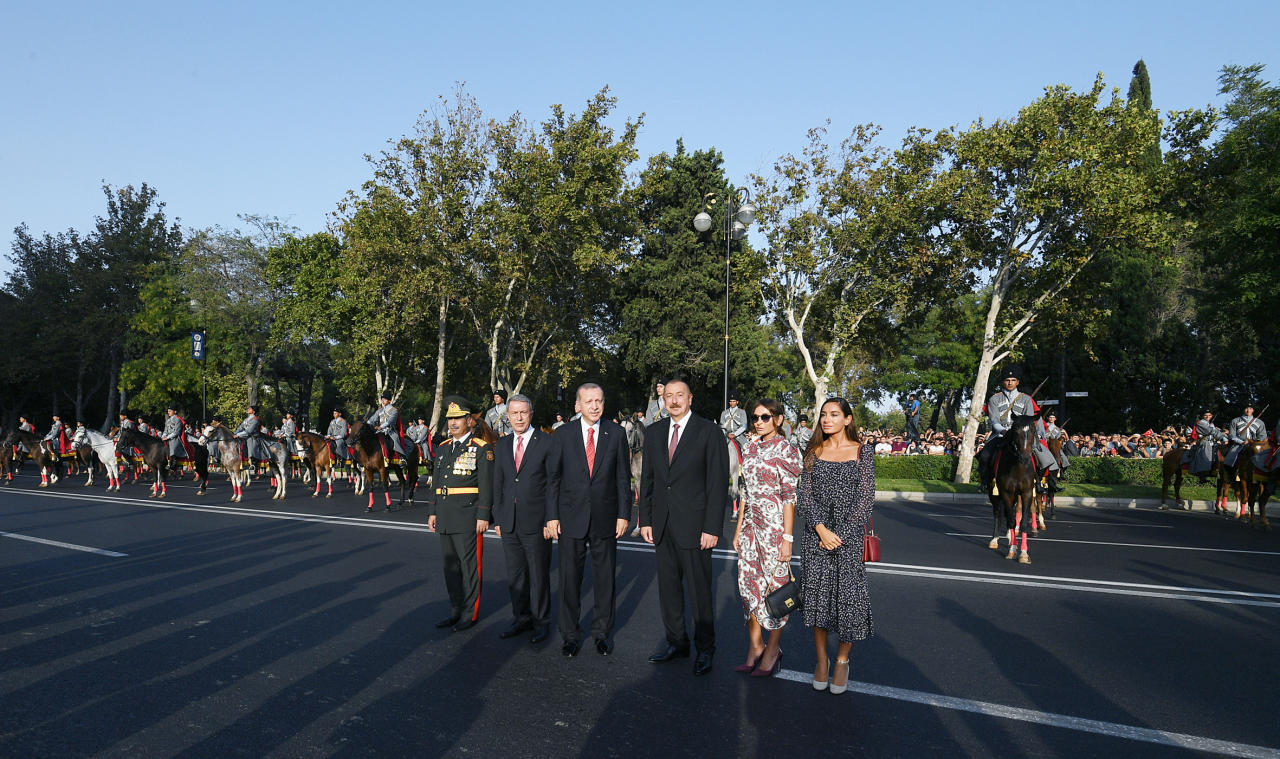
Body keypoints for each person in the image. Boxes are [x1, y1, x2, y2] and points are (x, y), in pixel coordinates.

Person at [639, 379, 730, 676]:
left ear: (690, 398)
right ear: (662, 399)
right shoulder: (653, 433)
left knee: (700, 592)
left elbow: (717, 484)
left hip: (695, 527)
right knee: (668, 591)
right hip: (662, 525)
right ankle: (676, 642)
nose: (674, 400)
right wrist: (646, 520)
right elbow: (648, 481)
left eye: (680, 395)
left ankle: (706, 649)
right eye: (669, 396)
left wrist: (712, 527)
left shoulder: (709, 432)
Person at [545, 382, 632, 658]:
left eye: (599, 400)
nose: (595, 406)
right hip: (570, 518)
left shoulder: (616, 433)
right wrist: (551, 516)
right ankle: (570, 635)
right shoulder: (563, 434)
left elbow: (622, 478)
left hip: (606, 518)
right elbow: (553, 479)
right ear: (577, 406)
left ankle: (602, 634)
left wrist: (623, 514)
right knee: (570, 580)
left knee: (606, 580)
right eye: (589, 401)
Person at [798, 397, 875, 695]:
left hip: (849, 537)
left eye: (834, 415)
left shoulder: (862, 453)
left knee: (848, 600)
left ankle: (842, 660)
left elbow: (866, 499)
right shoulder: (813, 451)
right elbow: (804, 495)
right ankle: (821, 661)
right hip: (815, 535)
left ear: (848, 419)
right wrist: (820, 528)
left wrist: (838, 534)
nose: (827, 420)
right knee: (817, 598)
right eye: (823, 415)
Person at [732, 399, 802, 678]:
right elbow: (745, 494)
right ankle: (755, 647)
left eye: (764, 417)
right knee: (748, 591)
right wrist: (737, 531)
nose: (758, 422)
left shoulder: (787, 451)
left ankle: (772, 650)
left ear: (779, 420)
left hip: (774, 532)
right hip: (750, 530)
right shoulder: (749, 448)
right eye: (755, 417)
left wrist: (788, 538)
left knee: (776, 592)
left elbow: (789, 498)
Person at [491, 394, 554, 645]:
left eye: (523, 412)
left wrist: (551, 520)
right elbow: (499, 483)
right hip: (509, 522)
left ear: (531, 413)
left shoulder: (547, 443)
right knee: (516, 575)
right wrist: (498, 518)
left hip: (537, 523)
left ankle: (541, 622)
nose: (518, 417)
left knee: (538, 575)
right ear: (507, 416)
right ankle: (521, 618)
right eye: (514, 413)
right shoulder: (503, 445)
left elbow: (552, 484)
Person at [428, 396, 493, 632]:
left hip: (467, 516)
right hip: (445, 515)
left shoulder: (481, 448)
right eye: (450, 419)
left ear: (468, 420)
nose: (453, 423)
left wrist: (484, 515)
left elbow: (487, 485)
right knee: (450, 568)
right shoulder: (444, 448)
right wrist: (432, 511)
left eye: (458, 419)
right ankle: (455, 610)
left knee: (470, 568)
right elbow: (437, 481)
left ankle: (470, 613)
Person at [977, 366, 1056, 492]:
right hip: (1001, 434)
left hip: (1022, 435)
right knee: (985, 455)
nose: (1010, 382)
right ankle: (985, 482)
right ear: (1003, 381)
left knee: (1044, 456)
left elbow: (1030, 419)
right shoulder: (994, 399)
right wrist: (1003, 431)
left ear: (1017, 382)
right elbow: (994, 420)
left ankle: (1039, 482)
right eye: (1007, 380)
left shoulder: (1026, 399)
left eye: (1013, 380)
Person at [368, 392, 411, 460]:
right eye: (382, 399)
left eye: (385, 399)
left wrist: (380, 427)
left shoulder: (394, 410)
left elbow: (390, 422)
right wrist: (366, 424)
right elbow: (372, 419)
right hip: (380, 431)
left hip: (391, 431)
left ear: (389, 400)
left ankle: (401, 458)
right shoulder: (379, 410)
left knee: (395, 440)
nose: (382, 400)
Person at [1185, 411, 1226, 482]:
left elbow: (1214, 431)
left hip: (1212, 442)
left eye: (1209, 415)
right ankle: (1202, 476)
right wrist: (1222, 437)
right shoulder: (1200, 422)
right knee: (1204, 457)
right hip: (1204, 443)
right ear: (1203, 416)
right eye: (1205, 415)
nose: (1208, 416)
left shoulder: (1210, 423)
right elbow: (1209, 431)